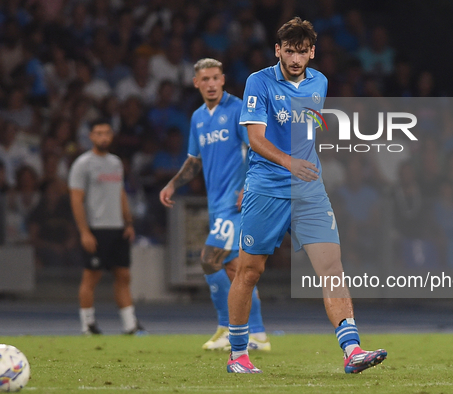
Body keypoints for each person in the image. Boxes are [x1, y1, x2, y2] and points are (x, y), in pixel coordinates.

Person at [226, 17, 387, 374]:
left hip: (309, 190)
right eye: (289, 51)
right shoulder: (259, 82)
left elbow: (306, 128)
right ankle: (238, 355)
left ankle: (352, 350)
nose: (296, 59)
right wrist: (289, 162)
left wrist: (307, 164)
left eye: (302, 52)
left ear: (312, 52)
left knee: (333, 270)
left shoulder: (320, 81)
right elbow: (255, 138)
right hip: (267, 187)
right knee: (249, 271)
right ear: (278, 50)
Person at [159, 58, 270, 351]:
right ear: (196, 83)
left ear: (223, 80)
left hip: (235, 203)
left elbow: (257, 148)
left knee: (209, 259)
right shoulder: (197, 118)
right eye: (204, 79)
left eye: (215, 78)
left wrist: (248, 186)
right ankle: (257, 334)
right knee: (236, 269)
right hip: (216, 203)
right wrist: (173, 183)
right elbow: (195, 161)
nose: (210, 84)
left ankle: (226, 327)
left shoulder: (237, 110)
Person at [68, 119, 146, 336]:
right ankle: (88, 325)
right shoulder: (82, 164)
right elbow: (76, 199)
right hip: (96, 228)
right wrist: (84, 232)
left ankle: (130, 325)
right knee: (91, 277)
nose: (103, 137)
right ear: (91, 136)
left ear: (111, 136)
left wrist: (128, 222)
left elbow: (120, 193)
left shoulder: (115, 163)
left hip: (117, 228)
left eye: (106, 133)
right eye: (98, 133)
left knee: (123, 276)